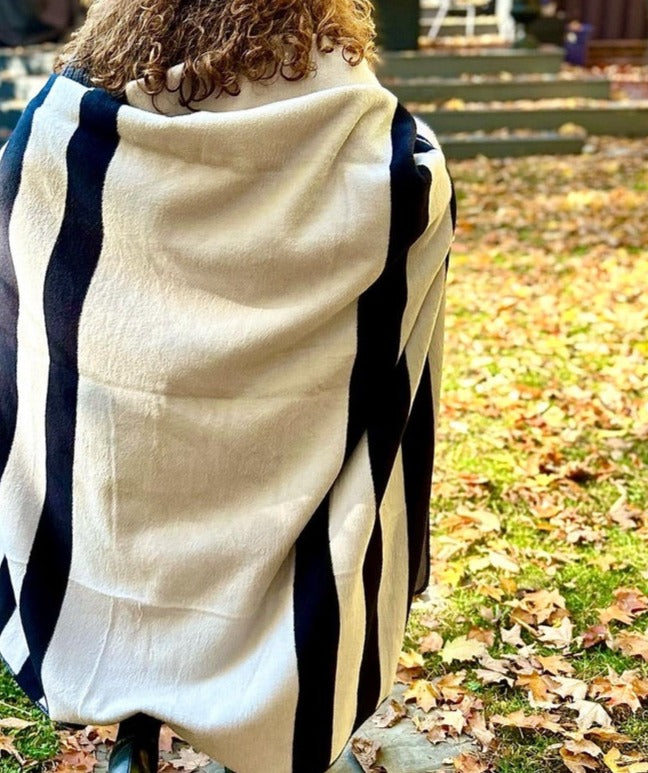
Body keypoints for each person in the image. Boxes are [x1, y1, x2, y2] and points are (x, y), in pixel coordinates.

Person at [0, 2, 455, 772]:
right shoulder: (380, 143)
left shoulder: (67, 119)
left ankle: (133, 734)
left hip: (117, 456)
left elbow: (23, 261)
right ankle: (276, 721)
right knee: (292, 522)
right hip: (281, 457)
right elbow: (412, 217)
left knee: (116, 522)